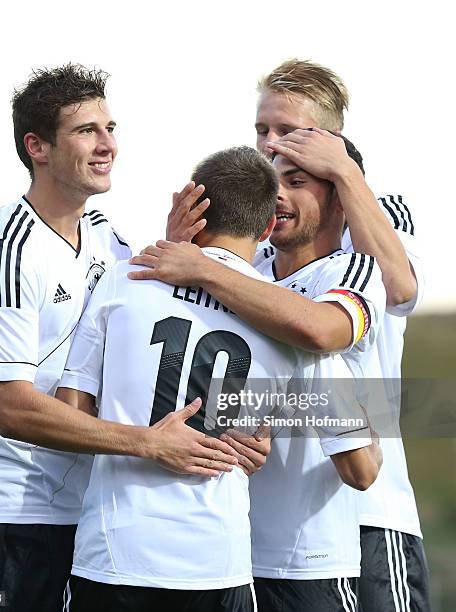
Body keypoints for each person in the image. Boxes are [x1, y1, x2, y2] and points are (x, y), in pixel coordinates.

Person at [133, 59, 429, 611]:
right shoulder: (257, 257)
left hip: (364, 518)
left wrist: (346, 175)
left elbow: (395, 294)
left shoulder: (373, 222)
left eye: (287, 133)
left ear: (332, 142)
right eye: (261, 131)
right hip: (253, 533)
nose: (269, 146)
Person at [0, 64, 239, 612]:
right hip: (7, 516)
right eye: (86, 131)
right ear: (37, 146)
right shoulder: (4, 252)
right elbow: (12, 409)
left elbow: (135, 313)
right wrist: (149, 442)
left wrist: (173, 247)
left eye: (111, 128)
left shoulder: (108, 235)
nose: (108, 145)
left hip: (85, 517)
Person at [58, 146, 381, 612]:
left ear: (191, 203)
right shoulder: (288, 320)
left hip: (113, 558)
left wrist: (145, 439)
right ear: (267, 225)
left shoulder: (122, 281)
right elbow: (363, 469)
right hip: (217, 567)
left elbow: (71, 415)